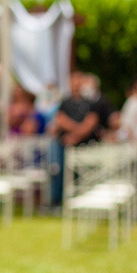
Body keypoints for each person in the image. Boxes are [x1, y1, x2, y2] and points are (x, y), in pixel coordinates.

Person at [48, 70, 100, 207]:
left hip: (85, 146)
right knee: (57, 168)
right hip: (64, 145)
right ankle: (57, 200)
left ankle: (79, 199)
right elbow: (59, 121)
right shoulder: (64, 103)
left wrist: (75, 134)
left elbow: (90, 124)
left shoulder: (90, 103)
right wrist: (77, 129)